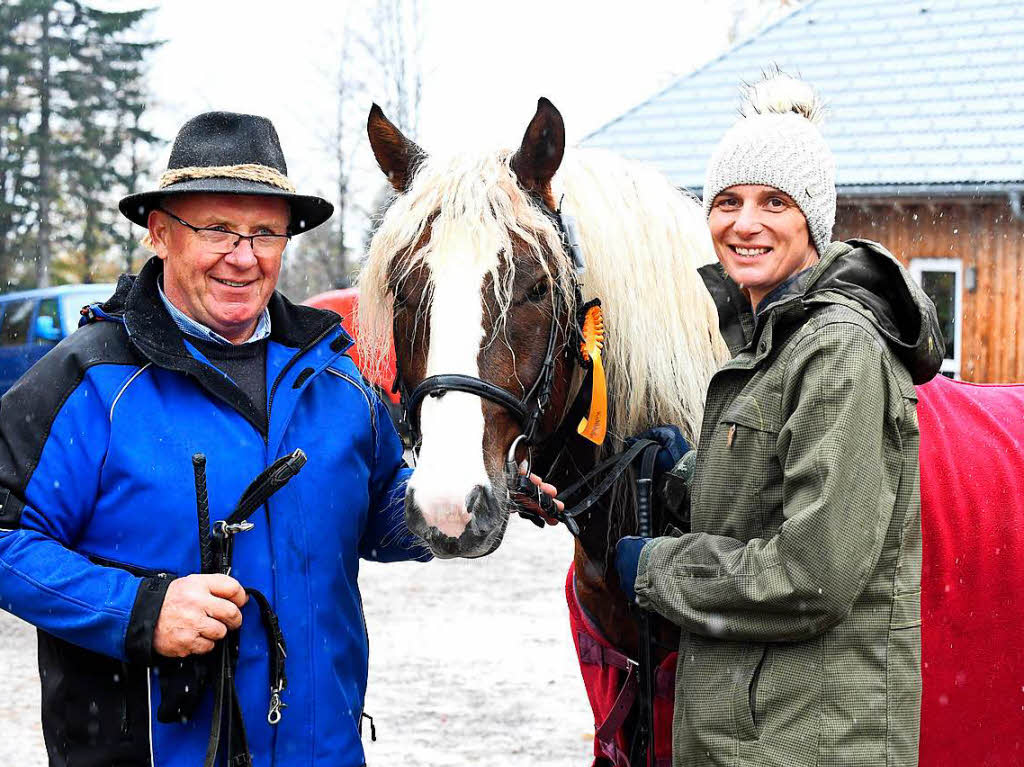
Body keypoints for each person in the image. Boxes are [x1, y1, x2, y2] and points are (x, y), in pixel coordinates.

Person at [0, 111, 431, 767]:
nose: (244, 255)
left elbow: (382, 514)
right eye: (218, 230)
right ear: (160, 233)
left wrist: (473, 493)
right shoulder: (91, 380)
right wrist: (140, 610)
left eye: (265, 232)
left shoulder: (338, 378)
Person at [614, 72, 943, 766]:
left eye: (774, 201)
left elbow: (812, 571)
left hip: (812, 739)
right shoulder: (770, 345)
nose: (745, 222)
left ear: (813, 220)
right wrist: (682, 474)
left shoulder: (839, 349)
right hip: (753, 733)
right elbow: (764, 501)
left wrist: (656, 568)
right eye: (727, 201)